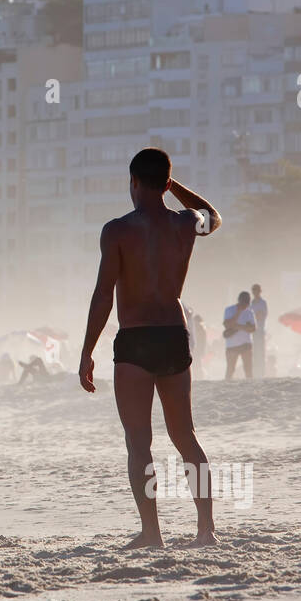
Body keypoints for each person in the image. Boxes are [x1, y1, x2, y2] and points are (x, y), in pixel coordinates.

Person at [78, 148, 220, 549]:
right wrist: (175, 190)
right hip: (174, 335)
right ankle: (206, 530)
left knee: (139, 441)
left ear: (134, 182)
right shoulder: (186, 222)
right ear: (167, 183)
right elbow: (213, 216)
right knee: (186, 437)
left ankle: (152, 533)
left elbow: (103, 294)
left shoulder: (118, 230)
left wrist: (87, 351)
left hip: (137, 339)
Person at [223, 292, 256, 380]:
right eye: (243, 303)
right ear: (239, 301)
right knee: (230, 369)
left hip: (246, 344)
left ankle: (250, 386)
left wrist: (238, 326)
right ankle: (226, 387)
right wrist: (238, 312)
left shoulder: (249, 312)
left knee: (248, 369)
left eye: (247, 304)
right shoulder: (229, 310)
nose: (245, 306)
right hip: (232, 344)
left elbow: (253, 328)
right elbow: (227, 325)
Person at [249, 284, 268, 378]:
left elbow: (261, 316)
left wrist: (254, 316)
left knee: (261, 352)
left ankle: (262, 373)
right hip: (253, 331)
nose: (255, 292)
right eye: (254, 290)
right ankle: (256, 372)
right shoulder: (251, 303)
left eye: (256, 290)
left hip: (260, 331)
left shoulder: (262, 303)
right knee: (255, 352)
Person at [192, 313, 207, 380]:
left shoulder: (200, 328)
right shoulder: (202, 328)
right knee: (197, 364)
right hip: (197, 348)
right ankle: (199, 377)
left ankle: (199, 377)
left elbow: (203, 341)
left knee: (197, 364)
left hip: (197, 349)